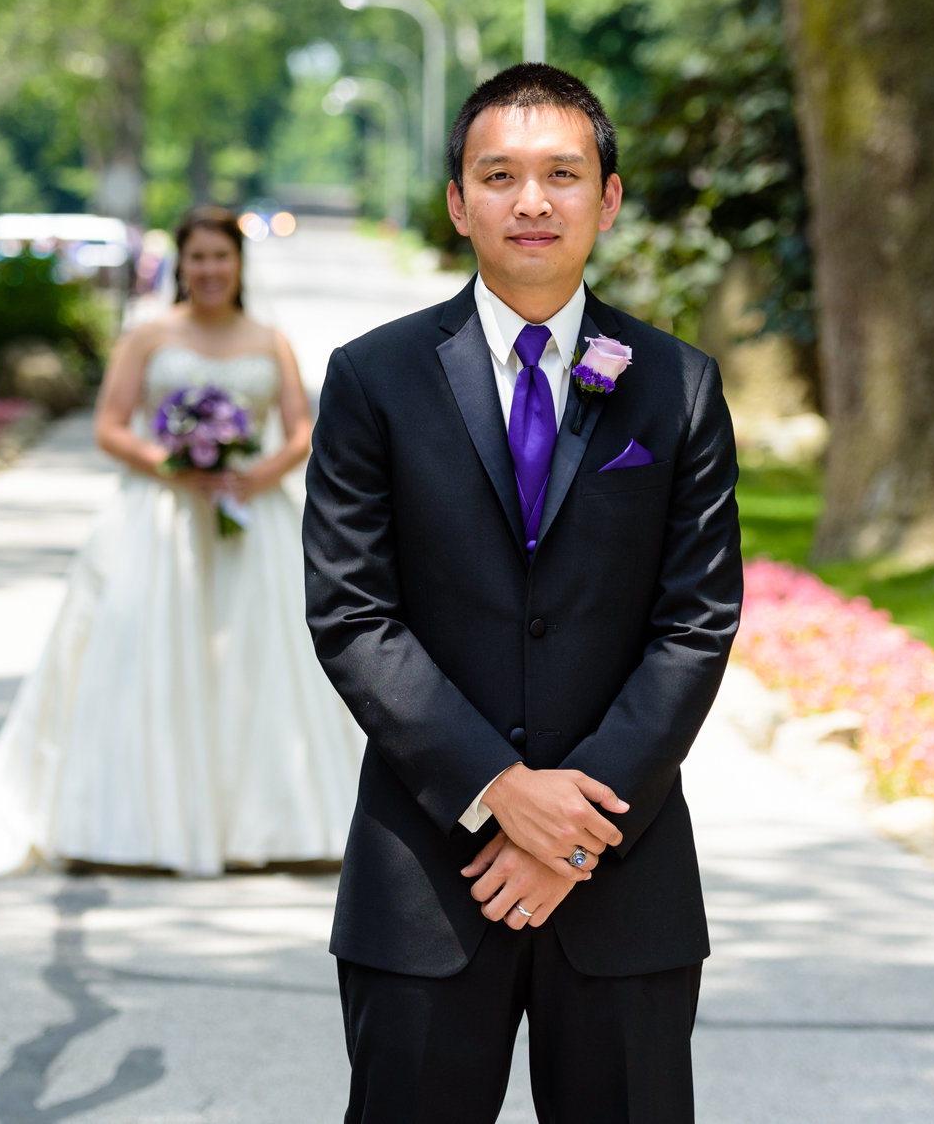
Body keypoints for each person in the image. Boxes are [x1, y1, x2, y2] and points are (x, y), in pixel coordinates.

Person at [303, 64, 742, 1122]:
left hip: (620, 884)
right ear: (457, 201)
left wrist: (574, 828)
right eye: (499, 175)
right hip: (424, 879)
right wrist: (501, 791)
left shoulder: (674, 384)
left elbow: (695, 622)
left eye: (561, 174)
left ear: (608, 197)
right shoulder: (374, 378)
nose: (532, 201)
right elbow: (353, 616)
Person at [0, 206, 364, 880]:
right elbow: (111, 427)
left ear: (239, 264)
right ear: (181, 265)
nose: (209, 270)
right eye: (198, 257)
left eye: (221, 257)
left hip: (252, 519)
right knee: (151, 659)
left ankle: (274, 820)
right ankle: (141, 821)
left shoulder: (270, 340)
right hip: (163, 519)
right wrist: (177, 463)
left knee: (259, 664)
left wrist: (253, 472)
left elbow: (301, 429)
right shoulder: (149, 337)